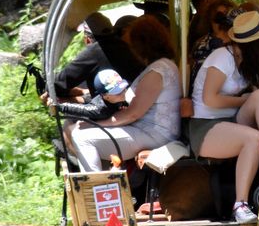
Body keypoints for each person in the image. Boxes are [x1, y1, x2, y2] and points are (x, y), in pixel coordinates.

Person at [188, 10, 259, 223]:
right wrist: (243, 100)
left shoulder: (250, 60)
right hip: (207, 125)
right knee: (252, 137)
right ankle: (240, 204)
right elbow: (210, 99)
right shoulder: (223, 57)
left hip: (233, 121)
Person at [71, 16, 182, 172]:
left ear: (141, 46)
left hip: (153, 134)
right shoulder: (164, 65)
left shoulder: (157, 71)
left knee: (81, 137)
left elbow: (133, 114)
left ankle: (96, 190)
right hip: (152, 130)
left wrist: (96, 124)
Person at [49, 12, 142, 102]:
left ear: (87, 39)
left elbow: (56, 86)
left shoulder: (94, 51)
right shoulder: (126, 44)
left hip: (118, 109)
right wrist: (82, 92)